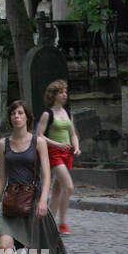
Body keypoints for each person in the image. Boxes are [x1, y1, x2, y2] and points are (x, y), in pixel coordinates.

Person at [0, 100, 66, 254]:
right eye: (13, 113)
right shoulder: (3, 143)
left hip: (33, 201)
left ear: (27, 117)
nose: (16, 117)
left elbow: (47, 173)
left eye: (20, 113)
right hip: (11, 202)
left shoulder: (38, 142)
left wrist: (44, 200)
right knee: (4, 246)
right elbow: (1, 176)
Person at [35, 79, 80, 235]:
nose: (64, 95)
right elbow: (39, 135)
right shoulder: (48, 114)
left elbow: (72, 134)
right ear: (53, 95)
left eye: (65, 92)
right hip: (54, 154)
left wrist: (77, 147)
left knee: (57, 190)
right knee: (69, 186)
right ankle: (62, 224)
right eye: (61, 92)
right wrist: (58, 144)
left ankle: (51, 223)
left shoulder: (68, 113)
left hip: (67, 153)